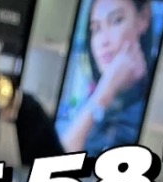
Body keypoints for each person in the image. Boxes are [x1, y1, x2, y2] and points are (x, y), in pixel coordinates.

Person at [59, 0, 155, 154]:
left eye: (116, 21)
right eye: (96, 29)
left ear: (143, 18)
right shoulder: (97, 99)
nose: (103, 41)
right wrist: (104, 91)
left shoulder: (151, 103)